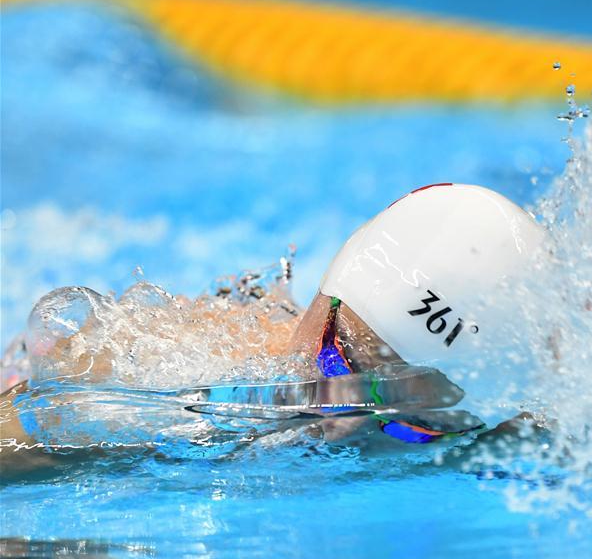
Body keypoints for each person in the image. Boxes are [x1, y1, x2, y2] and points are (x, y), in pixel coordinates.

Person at [0, 183, 548, 462]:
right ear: (321, 301)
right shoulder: (155, 380)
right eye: (337, 364)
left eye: (412, 422)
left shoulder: (491, 428)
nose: (346, 417)